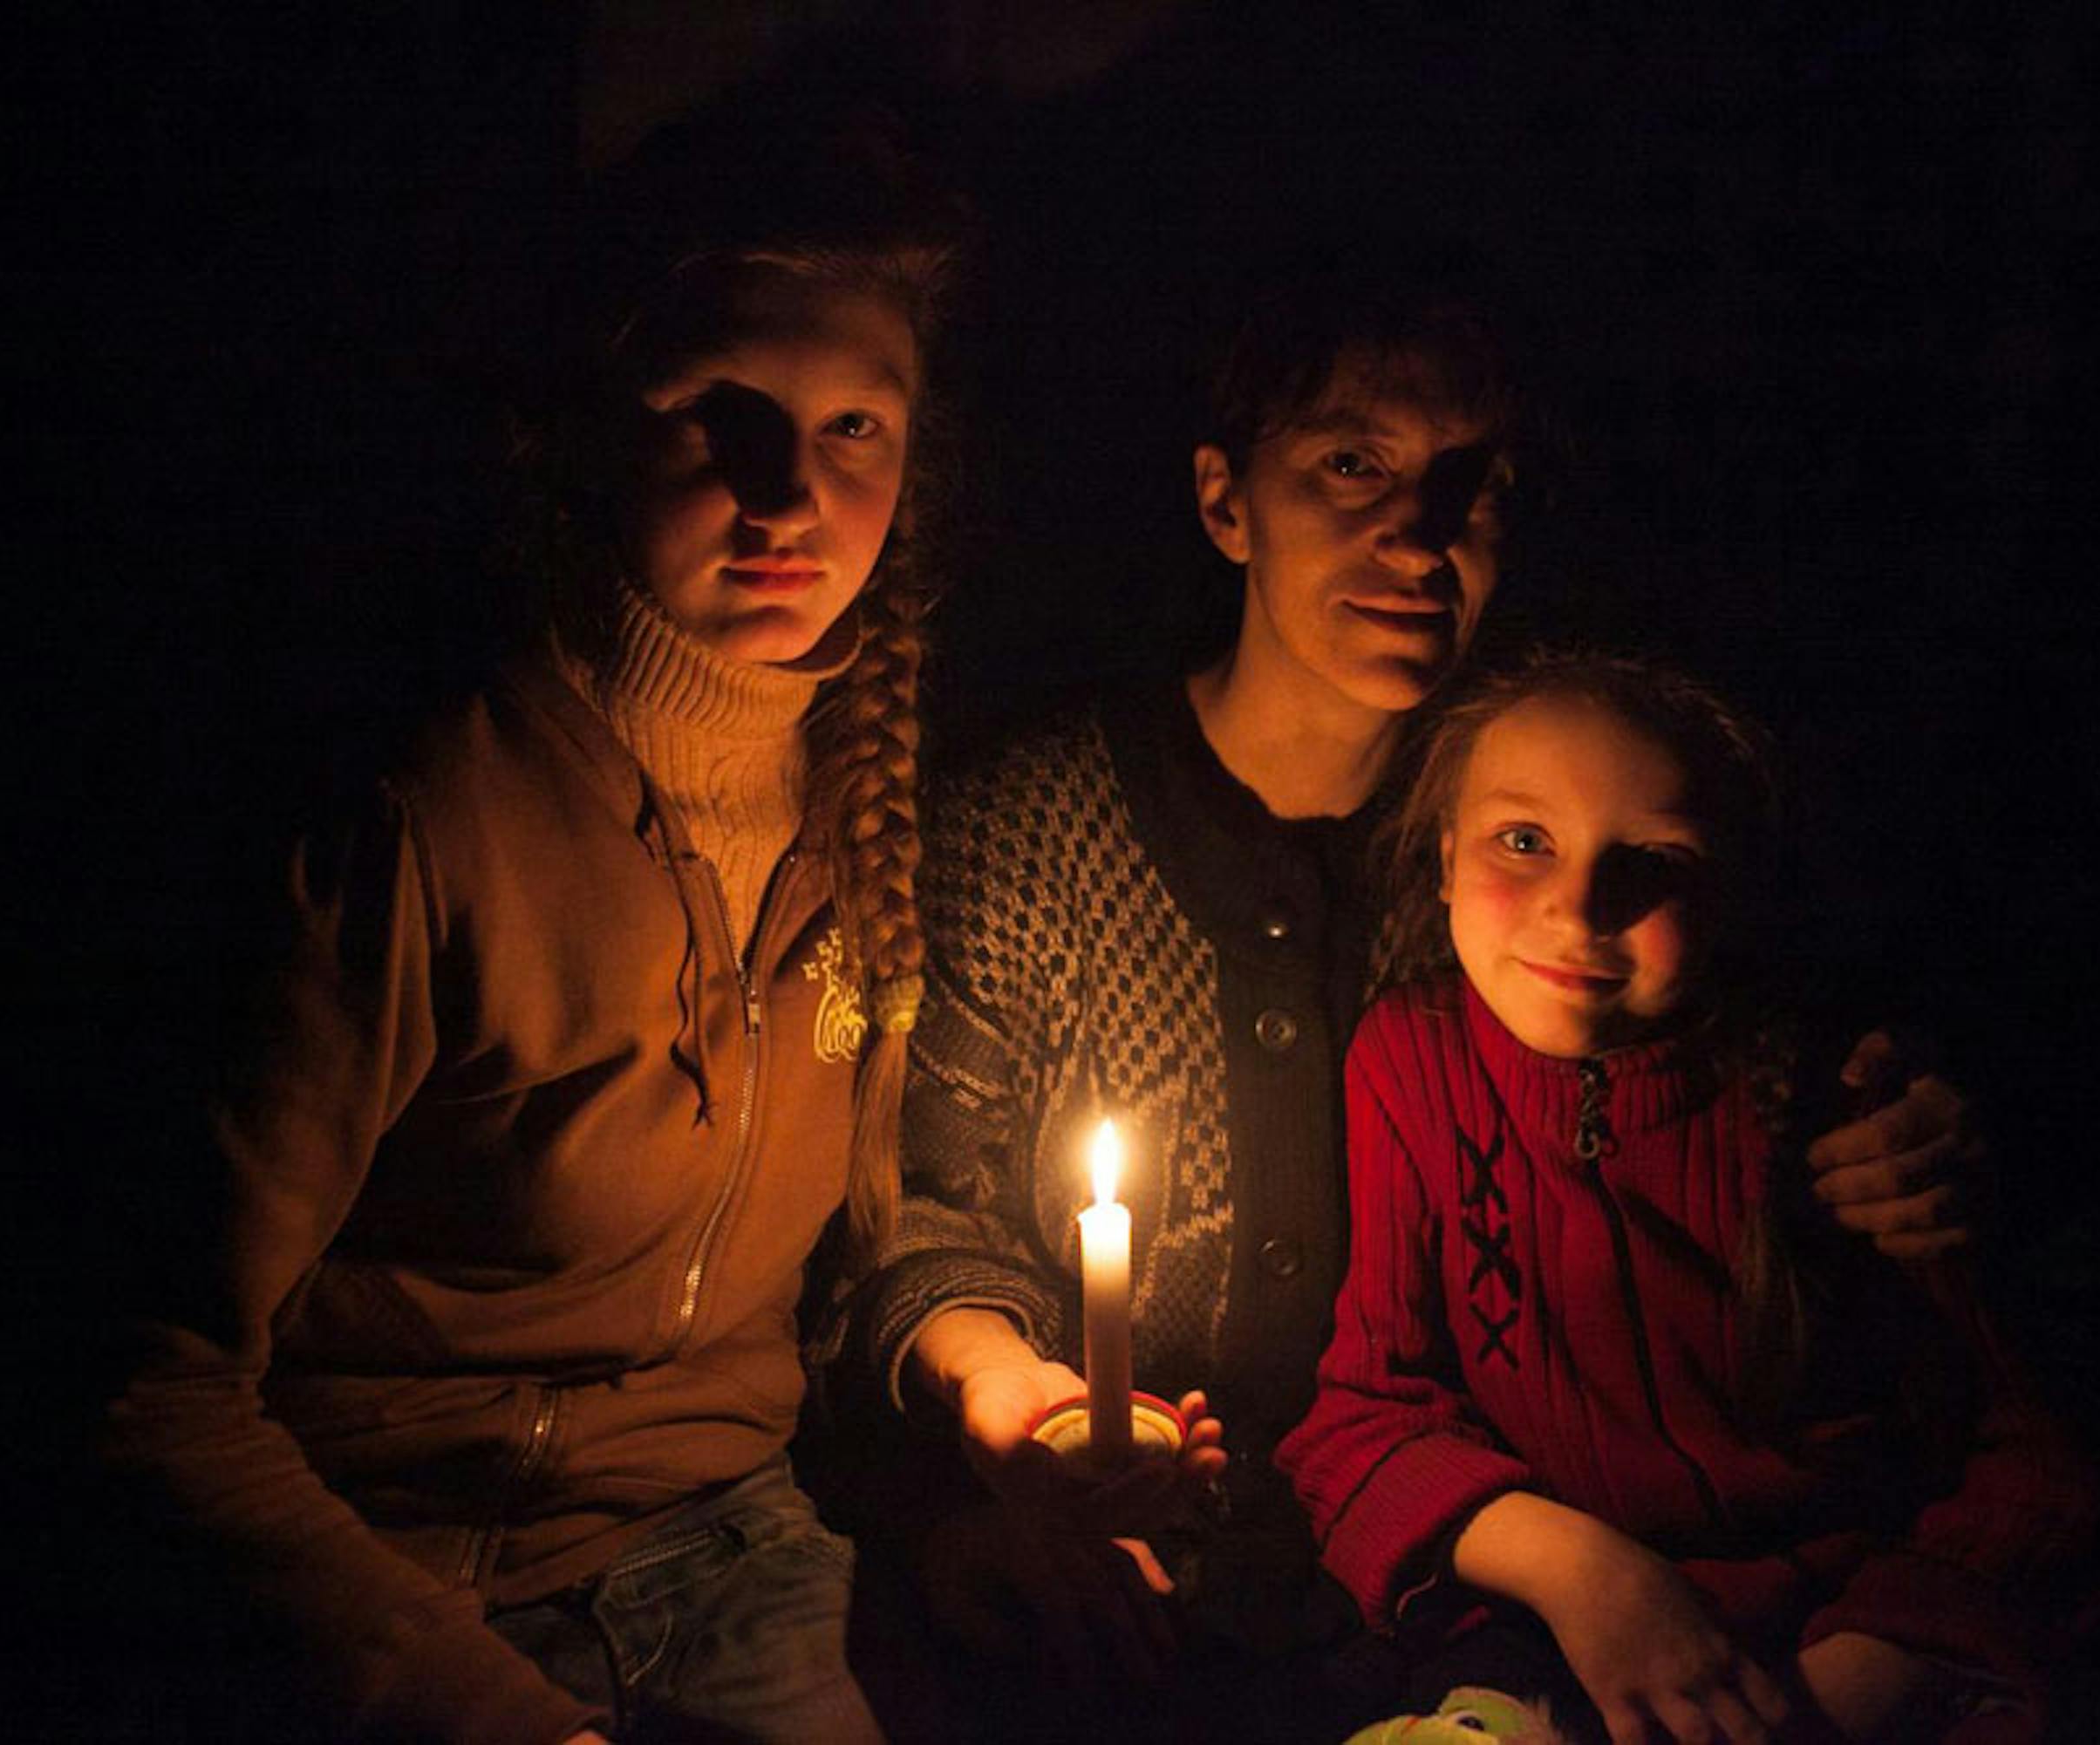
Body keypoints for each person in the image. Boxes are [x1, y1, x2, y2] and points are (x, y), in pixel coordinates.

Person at [826, 256, 1988, 1738]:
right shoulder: (1033, 828)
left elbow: (1742, 1050)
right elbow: (922, 1217)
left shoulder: (1527, 856)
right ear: (1224, 502)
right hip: (1124, 1567)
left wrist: (1899, 1134)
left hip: (1454, 1610)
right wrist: (1024, 1428)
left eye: (1471, 484)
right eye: (1351, 467)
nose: (1418, 535)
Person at [95, 106, 960, 1744]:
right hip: (399, 1578)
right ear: (592, 434)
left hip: (731, 1556)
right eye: (725, 415)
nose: (792, 494)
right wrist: (465, 1700)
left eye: (857, 427)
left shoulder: (871, 800)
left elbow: (808, 1300)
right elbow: (155, 1379)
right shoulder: (430, 816)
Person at [1279, 651, 2093, 1745]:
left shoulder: (1839, 1097)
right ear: (1441, 857)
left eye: (1652, 860)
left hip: (1846, 1633)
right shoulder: (1413, 1062)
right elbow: (1366, 1414)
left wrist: (1868, 1673)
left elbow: (2036, 1454)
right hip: (1541, 1630)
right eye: (1524, 841)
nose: (1576, 909)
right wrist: (1586, 1575)